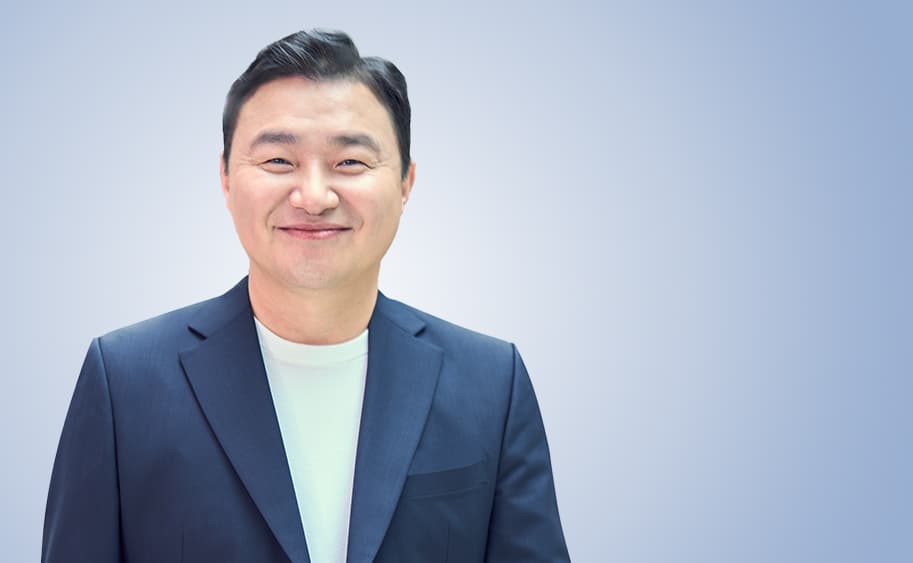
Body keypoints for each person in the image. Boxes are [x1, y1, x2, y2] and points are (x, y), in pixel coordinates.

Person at [42, 29, 569, 563]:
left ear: (406, 183)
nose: (314, 197)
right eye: (278, 161)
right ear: (225, 178)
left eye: (350, 162)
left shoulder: (490, 383)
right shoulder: (125, 382)